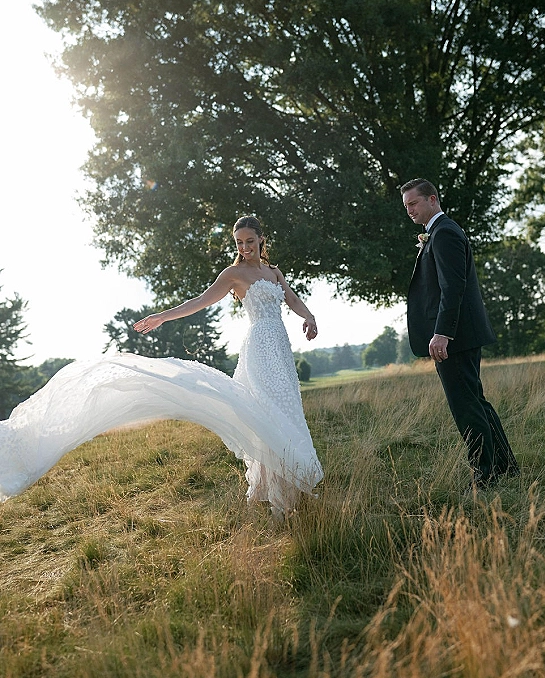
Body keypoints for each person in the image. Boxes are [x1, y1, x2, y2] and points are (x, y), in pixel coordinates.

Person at [0, 216, 323, 514]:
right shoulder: (233, 274)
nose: (244, 247)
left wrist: (308, 317)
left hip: (280, 347)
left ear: (261, 239)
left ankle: (287, 484)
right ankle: (278, 493)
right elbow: (200, 301)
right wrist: (163, 316)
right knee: (264, 412)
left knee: (286, 408)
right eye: (239, 242)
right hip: (258, 349)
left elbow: (291, 300)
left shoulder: (273, 272)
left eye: (249, 241)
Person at [400, 179, 519, 490]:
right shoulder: (440, 232)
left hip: (455, 338)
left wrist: (442, 333)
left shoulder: (445, 233)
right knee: (476, 402)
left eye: (414, 203)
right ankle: (505, 468)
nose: (409, 210)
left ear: (432, 199)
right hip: (460, 335)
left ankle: (485, 475)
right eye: (406, 206)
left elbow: (453, 289)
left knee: (465, 406)